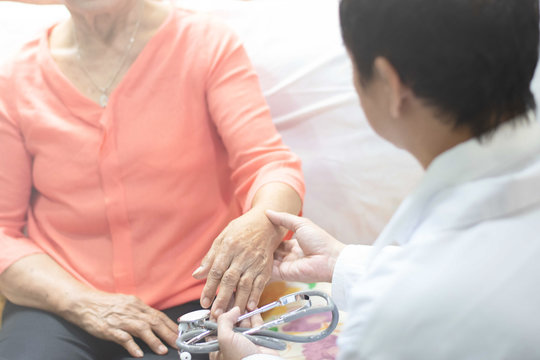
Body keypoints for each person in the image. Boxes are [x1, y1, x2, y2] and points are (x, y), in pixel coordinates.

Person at [216, 0, 540, 359]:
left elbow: (431, 288)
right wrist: (340, 261)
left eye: (352, 65)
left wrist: (251, 358)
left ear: (390, 83)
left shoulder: (395, 316)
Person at [0, 0, 304, 359]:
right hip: (61, 304)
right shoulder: (17, 77)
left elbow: (267, 163)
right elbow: (4, 229)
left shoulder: (204, 42)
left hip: (194, 300)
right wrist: (81, 302)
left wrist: (260, 224)